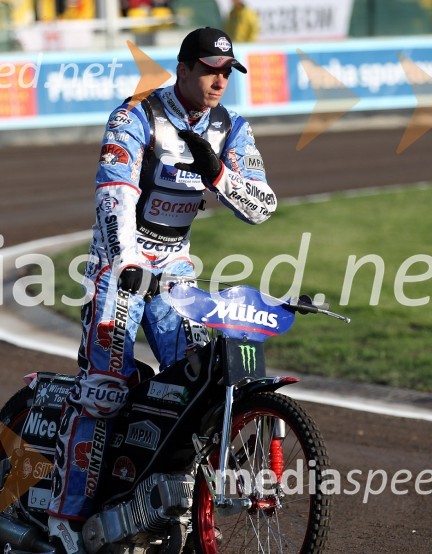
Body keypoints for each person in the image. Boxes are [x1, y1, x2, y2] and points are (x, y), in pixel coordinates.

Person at [47, 26, 277, 553]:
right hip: (121, 263)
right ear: (183, 69)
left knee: (198, 390)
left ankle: (166, 507)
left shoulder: (232, 127)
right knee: (104, 391)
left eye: (226, 72)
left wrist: (218, 174)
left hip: (176, 269)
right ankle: (64, 521)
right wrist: (126, 258)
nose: (218, 80)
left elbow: (262, 208)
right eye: (209, 69)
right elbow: (114, 197)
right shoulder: (136, 116)